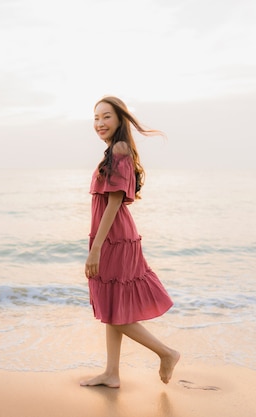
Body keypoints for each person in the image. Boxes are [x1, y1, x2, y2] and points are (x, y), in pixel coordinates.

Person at [80, 96, 180, 388]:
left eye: (106, 117)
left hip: (114, 238)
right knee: (113, 304)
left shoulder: (119, 149)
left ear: (120, 120)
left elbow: (113, 202)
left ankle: (166, 353)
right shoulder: (114, 150)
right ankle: (112, 373)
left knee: (115, 309)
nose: (100, 123)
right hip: (111, 235)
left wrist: (96, 248)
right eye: (96, 117)